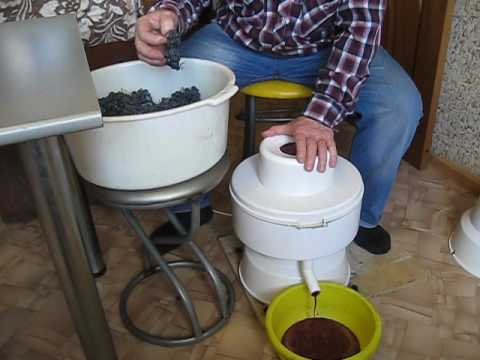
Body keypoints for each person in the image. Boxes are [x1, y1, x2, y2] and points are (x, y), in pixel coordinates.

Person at [134, 0, 423, 255]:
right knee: (170, 89)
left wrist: (321, 116)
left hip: (326, 48)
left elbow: (360, 30)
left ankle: (360, 216)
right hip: (236, 39)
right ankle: (188, 207)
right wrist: (169, 12)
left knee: (399, 106)